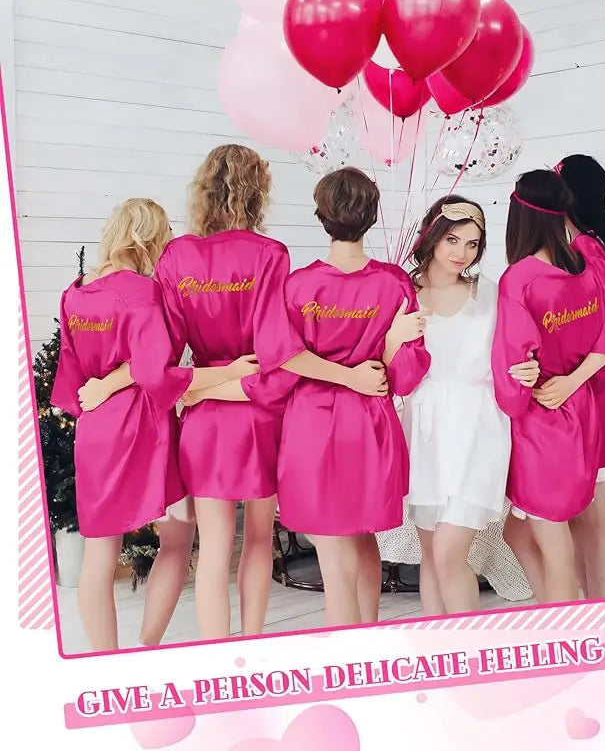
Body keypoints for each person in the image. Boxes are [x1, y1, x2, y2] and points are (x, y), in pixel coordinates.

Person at [88, 146, 388, 641]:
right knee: (257, 544)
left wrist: (212, 385)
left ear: (204, 190)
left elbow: (160, 369)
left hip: (204, 420)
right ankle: (251, 644)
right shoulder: (272, 256)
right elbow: (277, 355)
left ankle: (216, 652)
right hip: (262, 415)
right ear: (258, 193)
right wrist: (239, 382)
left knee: (213, 549)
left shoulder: (176, 256)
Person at [51, 198, 254, 651]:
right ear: (149, 239)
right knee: (179, 540)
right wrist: (230, 369)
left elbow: (73, 380)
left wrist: (102, 387)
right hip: (145, 428)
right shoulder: (142, 292)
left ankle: (107, 663)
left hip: (96, 431)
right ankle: (147, 648)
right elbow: (157, 375)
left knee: (98, 557)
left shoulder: (75, 292)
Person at [275, 167, 431, 628]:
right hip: (370, 427)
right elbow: (405, 374)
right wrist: (367, 364)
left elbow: (281, 358)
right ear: (372, 215)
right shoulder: (395, 284)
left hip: (313, 428)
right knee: (364, 545)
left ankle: (350, 662)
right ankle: (370, 644)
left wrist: (340, 375)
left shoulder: (297, 286)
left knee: (336, 558)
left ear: (321, 215)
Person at [399, 195, 539, 615]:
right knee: (431, 555)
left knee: (449, 554)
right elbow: (385, 359)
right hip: (424, 430)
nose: (462, 253)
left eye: (473, 244)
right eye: (454, 240)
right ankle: (439, 655)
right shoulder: (405, 294)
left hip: (479, 429)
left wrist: (530, 370)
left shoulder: (492, 293)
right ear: (433, 237)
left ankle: (471, 651)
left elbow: (520, 351)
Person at [491, 169, 605, 604]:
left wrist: (519, 392)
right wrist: (571, 382)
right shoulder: (585, 266)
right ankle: (572, 609)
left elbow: (511, 371)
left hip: (542, 422)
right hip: (584, 413)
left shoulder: (520, 279)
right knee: (531, 530)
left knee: (553, 540)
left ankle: (568, 636)